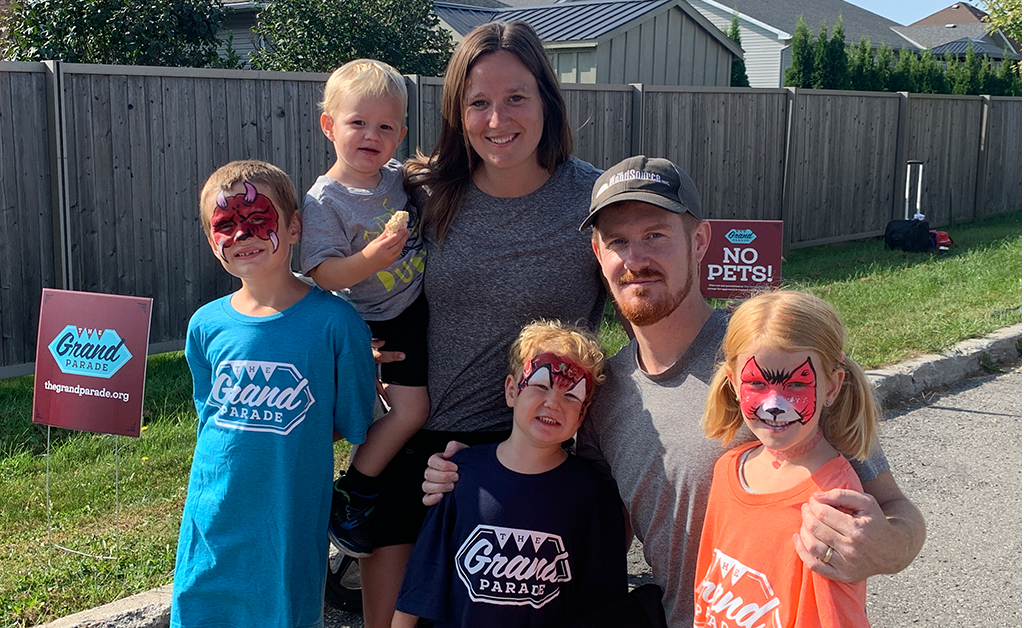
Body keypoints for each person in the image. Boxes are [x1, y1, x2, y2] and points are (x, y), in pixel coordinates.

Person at [425, 155, 927, 627]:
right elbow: (589, 519)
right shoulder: (604, 393)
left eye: (656, 235)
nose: (636, 258)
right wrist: (475, 481)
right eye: (617, 241)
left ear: (700, 241)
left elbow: (895, 510)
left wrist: (884, 546)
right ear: (598, 253)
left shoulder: (768, 361)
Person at [359, 21, 607, 628]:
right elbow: (344, 262)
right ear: (457, 111)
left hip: (525, 458)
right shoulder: (423, 191)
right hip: (414, 442)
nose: (498, 119)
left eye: (516, 97)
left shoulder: (595, 201)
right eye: (479, 103)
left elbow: (645, 313)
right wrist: (351, 344)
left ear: (547, 98)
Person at [171, 160, 376, 628]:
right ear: (211, 241)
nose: (242, 235)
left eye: (259, 220)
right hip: (212, 517)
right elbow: (212, 419)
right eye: (226, 225)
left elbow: (352, 421)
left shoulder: (337, 324)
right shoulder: (204, 325)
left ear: (295, 226)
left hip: (289, 518)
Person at [392, 321, 629, 628]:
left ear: (583, 413)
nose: (553, 402)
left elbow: (602, 604)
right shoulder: (460, 474)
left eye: (572, 395)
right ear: (511, 390)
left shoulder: (592, 493)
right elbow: (419, 587)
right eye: (540, 385)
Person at [300, 59, 429, 558]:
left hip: (416, 308)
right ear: (329, 125)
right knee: (404, 411)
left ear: (400, 134)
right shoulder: (324, 201)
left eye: (385, 126)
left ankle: (364, 484)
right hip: (372, 320)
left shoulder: (399, 178)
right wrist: (371, 257)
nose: (371, 135)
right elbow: (324, 273)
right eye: (357, 122)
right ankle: (355, 491)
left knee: (392, 413)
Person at [694, 290, 878, 627]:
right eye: (756, 384)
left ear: (832, 387)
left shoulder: (832, 498)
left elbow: (835, 616)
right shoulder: (728, 470)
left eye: (795, 384)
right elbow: (708, 582)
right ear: (734, 383)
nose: (774, 404)